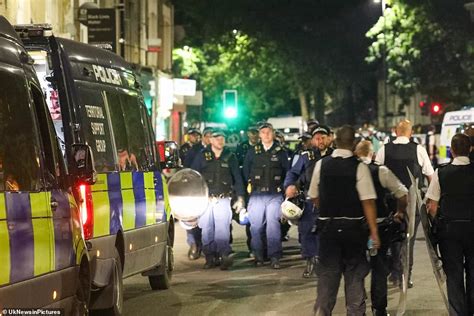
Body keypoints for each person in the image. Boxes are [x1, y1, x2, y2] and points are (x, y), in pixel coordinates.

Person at [308, 125, 380, 316]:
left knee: (327, 280)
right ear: (354, 144)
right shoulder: (359, 167)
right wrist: (374, 232)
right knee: (355, 278)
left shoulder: (321, 165)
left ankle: (322, 313)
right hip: (353, 231)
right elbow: (368, 202)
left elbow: (314, 196)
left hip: (328, 230)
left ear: (335, 141)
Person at [375, 119, 434, 288]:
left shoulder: (383, 150)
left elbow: (376, 174)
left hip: (390, 202)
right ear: (411, 132)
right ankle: (405, 275)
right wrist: (429, 199)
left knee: (392, 238)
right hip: (412, 202)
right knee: (409, 240)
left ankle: (394, 272)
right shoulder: (419, 150)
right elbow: (430, 176)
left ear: (395, 132)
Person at [355, 140, 408, 316]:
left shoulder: (349, 170)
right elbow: (402, 193)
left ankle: (357, 307)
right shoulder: (381, 171)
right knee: (379, 269)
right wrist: (399, 213)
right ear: (373, 154)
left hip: (353, 227)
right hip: (378, 225)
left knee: (355, 269)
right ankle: (379, 308)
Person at [425, 133, 474, 316]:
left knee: (454, 276)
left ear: (452, 151)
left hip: (449, 232)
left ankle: (458, 312)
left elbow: (432, 205)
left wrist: (437, 222)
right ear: (470, 149)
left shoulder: (441, 172)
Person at [191, 130, 245, 270]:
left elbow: (237, 178)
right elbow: (194, 177)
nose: (220, 140)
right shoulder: (202, 156)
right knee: (207, 229)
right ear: (210, 140)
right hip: (206, 200)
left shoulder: (230, 157)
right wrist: (197, 196)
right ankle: (210, 258)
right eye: (216, 138)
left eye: (222, 138)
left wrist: (240, 198)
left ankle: (224, 255)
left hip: (223, 198)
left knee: (223, 229)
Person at [284, 127, 332, 278]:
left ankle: (324, 261)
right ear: (312, 140)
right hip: (309, 200)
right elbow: (292, 173)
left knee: (326, 232)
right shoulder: (306, 156)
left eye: (323, 137)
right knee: (306, 232)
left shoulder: (336, 155)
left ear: (329, 138)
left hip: (329, 201)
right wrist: (289, 186)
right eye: (317, 138)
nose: (320, 141)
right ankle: (310, 260)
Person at [243, 122, 290, 269]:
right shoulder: (252, 151)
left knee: (273, 227)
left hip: (274, 194)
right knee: (255, 226)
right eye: (263, 132)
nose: (266, 135)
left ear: (273, 133)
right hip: (257, 194)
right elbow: (245, 171)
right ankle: (258, 255)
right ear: (259, 135)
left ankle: (274, 256)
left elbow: (287, 172)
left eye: (268, 132)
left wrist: (285, 192)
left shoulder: (281, 152)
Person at [182, 127, 213, 260]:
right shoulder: (194, 150)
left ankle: (212, 248)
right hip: (196, 190)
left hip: (213, 191)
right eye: (208, 136)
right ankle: (194, 244)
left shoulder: (219, 151)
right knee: (192, 219)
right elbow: (187, 170)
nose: (209, 138)